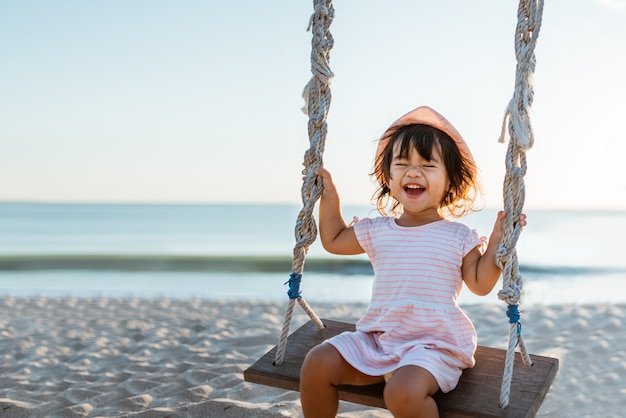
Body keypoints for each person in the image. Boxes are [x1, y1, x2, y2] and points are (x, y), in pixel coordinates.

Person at [299, 106, 526, 418]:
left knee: (402, 392)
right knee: (317, 363)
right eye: (402, 163)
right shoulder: (378, 230)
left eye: (427, 165)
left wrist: (499, 240)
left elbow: (481, 283)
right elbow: (334, 239)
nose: (413, 172)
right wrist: (329, 196)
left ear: (450, 183)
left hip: (434, 345)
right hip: (380, 339)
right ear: (389, 179)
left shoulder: (457, 236)